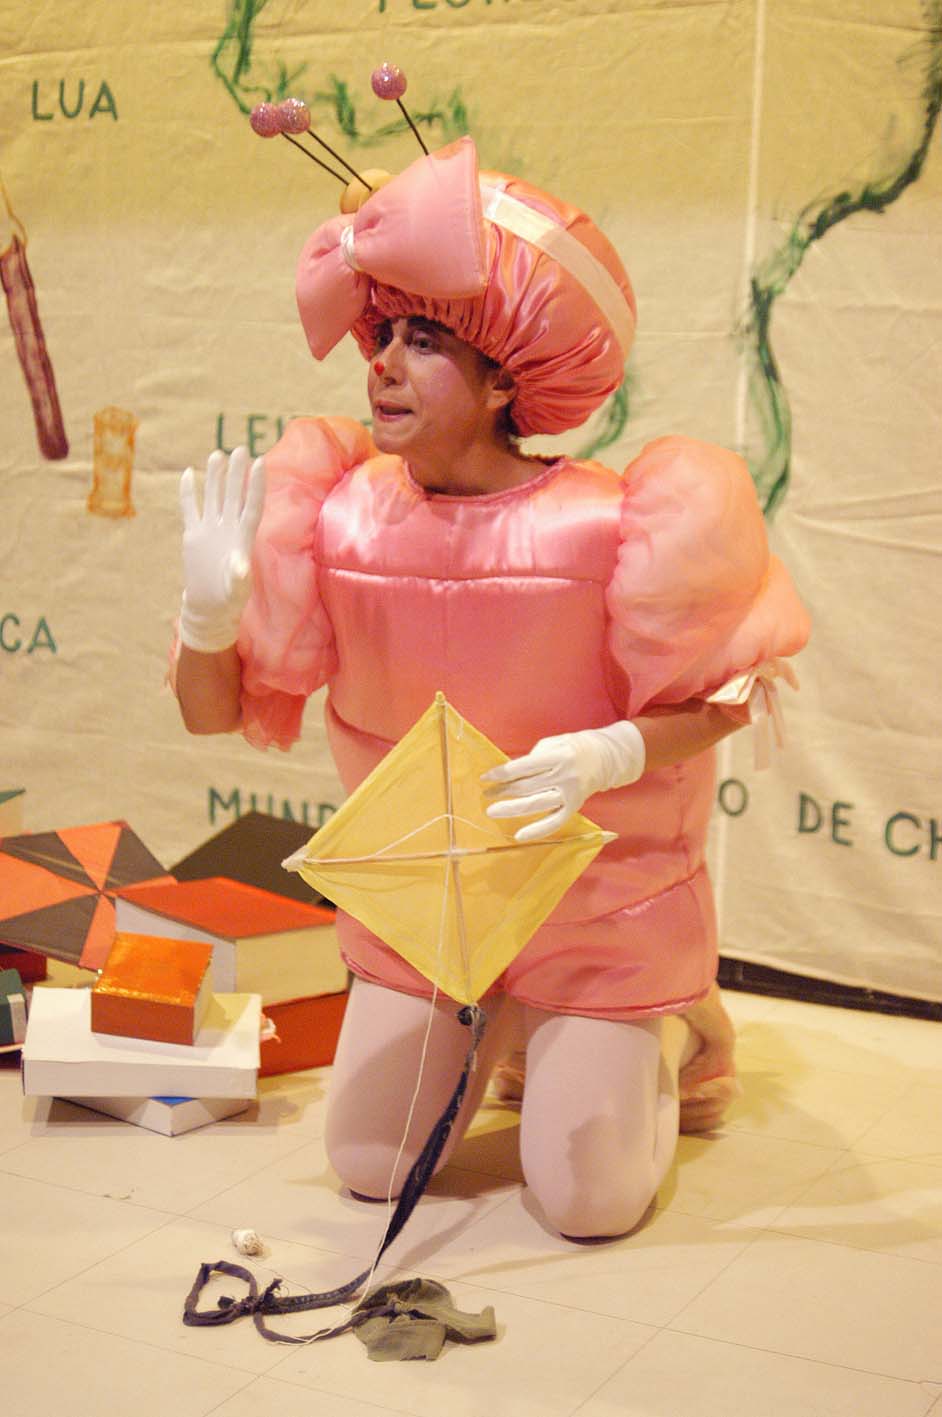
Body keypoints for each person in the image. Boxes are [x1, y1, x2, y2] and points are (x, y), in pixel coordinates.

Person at [173, 137, 809, 1239]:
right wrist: (206, 618)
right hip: (429, 907)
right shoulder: (335, 514)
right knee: (369, 1165)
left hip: (599, 906)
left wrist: (610, 752)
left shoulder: (614, 524)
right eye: (381, 335)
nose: (381, 365)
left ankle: (671, 1023)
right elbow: (212, 712)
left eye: (424, 341)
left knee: (588, 1203)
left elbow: (734, 693)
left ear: (508, 375)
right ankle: (510, 1023)